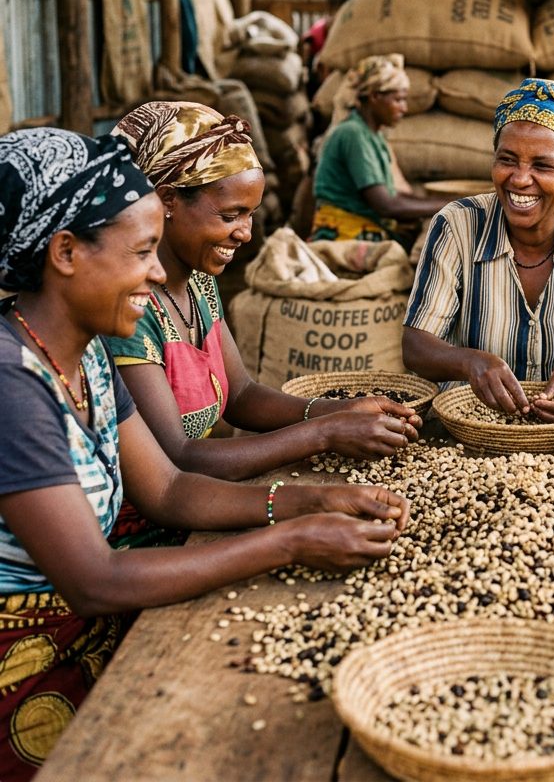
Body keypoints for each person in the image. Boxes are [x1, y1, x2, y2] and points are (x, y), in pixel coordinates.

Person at [0, 128, 409, 782]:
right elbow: (94, 578)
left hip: (96, 624)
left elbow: (168, 489)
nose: (158, 272)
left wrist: (311, 499)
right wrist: (292, 540)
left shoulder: (80, 356)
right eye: (141, 252)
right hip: (27, 669)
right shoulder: (12, 384)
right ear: (67, 253)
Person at [105, 101, 421, 499]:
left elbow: (241, 396)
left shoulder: (199, 281)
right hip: (149, 529)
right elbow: (179, 458)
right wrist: (323, 433)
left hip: (203, 499)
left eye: (250, 214)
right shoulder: (128, 309)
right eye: (230, 215)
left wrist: (339, 409)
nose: (246, 233)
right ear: (168, 200)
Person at [403, 77, 554, 423]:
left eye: (542, 165)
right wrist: (470, 362)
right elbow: (415, 344)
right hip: (469, 423)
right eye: (508, 159)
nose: (519, 179)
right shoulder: (457, 224)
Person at [309, 53, 447, 249]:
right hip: (344, 237)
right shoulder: (352, 134)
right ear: (374, 97)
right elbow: (385, 205)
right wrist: (448, 206)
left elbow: (394, 196)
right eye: (398, 100)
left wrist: (445, 203)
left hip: (362, 231)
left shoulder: (373, 136)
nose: (404, 108)